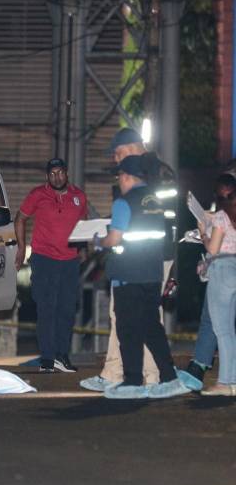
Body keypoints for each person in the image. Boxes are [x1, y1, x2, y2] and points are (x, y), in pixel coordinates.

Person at [95, 155, 199, 399]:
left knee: (127, 329)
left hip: (128, 274)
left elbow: (116, 238)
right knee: (152, 328)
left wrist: (99, 242)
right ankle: (169, 378)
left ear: (129, 176)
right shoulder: (154, 201)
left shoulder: (124, 202)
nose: (118, 180)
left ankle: (132, 382)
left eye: (119, 176)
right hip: (152, 274)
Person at [80, 131, 176, 392]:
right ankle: (118, 372)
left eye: (118, 152)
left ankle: (151, 376)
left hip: (149, 257)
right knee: (124, 316)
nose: (115, 158)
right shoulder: (147, 171)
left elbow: (162, 217)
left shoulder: (155, 173)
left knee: (142, 318)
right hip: (139, 256)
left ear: (133, 147)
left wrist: (108, 237)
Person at [14, 157, 88, 373]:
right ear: (47, 176)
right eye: (52, 173)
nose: (57, 177)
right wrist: (20, 248)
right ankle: (47, 358)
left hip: (69, 261)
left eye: (60, 172)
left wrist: (83, 249)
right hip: (44, 259)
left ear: (67, 173)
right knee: (46, 308)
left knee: (66, 310)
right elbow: (19, 219)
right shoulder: (38, 194)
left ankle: (61, 356)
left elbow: (82, 224)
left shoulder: (79, 197)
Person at [197, 175, 236, 396]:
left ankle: (224, 382)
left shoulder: (221, 217)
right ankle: (231, 381)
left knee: (222, 330)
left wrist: (203, 232)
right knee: (229, 331)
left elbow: (212, 249)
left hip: (221, 269)